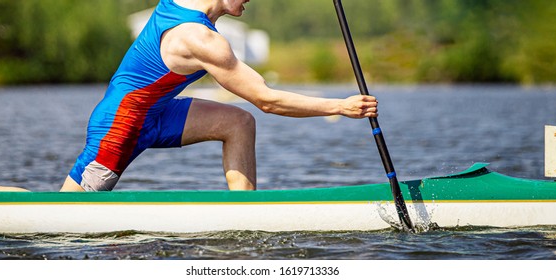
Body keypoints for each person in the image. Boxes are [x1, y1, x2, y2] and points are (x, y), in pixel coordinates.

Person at [60, 0, 379, 192]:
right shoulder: (201, 40)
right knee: (65, 213)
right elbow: (266, 99)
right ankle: (8, 201)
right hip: (120, 128)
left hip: (159, 112)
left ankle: (244, 214)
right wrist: (341, 105)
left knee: (238, 122)